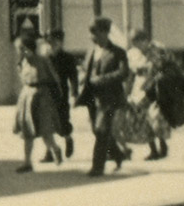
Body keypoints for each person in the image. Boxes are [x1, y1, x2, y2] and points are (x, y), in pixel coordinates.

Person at [77, 17, 129, 177]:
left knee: (101, 130)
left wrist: (102, 79)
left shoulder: (118, 52)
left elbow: (123, 73)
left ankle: (97, 167)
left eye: (96, 33)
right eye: (91, 34)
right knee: (97, 130)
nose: (93, 37)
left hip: (110, 98)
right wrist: (82, 77)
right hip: (92, 97)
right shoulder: (91, 51)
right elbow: (86, 70)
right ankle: (118, 154)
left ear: (106, 33)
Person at [129, 31, 184, 159]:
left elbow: (165, 66)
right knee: (142, 118)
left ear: (145, 40)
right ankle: (153, 149)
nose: (138, 47)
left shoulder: (158, 49)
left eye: (139, 43)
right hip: (141, 89)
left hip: (158, 88)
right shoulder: (134, 53)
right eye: (135, 44)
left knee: (158, 117)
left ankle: (163, 146)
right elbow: (132, 70)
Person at [12, 23, 63, 173]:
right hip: (27, 97)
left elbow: (54, 79)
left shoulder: (43, 60)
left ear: (28, 48)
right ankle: (27, 162)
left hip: (43, 97)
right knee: (27, 132)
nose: (19, 52)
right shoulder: (21, 63)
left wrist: (58, 97)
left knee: (46, 131)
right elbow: (23, 80)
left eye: (21, 49)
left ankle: (55, 149)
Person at [45, 28, 80, 161]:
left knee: (62, 121)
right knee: (46, 122)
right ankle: (49, 152)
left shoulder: (68, 58)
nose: (51, 44)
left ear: (61, 42)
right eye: (49, 41)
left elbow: (73, 77)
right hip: (47, 94)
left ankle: (68, 138)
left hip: (61, 94)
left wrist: (74, 93)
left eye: (54, 41)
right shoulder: (46, 58)